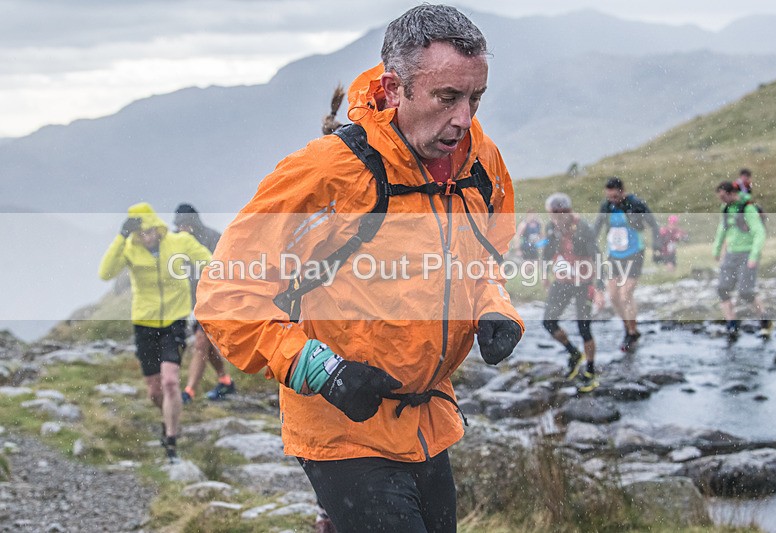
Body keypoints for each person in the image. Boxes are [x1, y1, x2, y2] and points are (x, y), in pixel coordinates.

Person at [196, 5, 523, 532]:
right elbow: (226, 294)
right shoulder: (328, 174)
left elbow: (486, 252)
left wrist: (493, 307)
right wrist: (320, 371)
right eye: (447, 98)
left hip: (428, 419)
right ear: (394, 90)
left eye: (475, 98)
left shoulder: (479, 161)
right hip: (342, 430)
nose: (464, 119)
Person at [99, 203, 212, 462]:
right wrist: (121, 237)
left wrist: (210, 289)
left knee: (171, 382)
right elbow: (105, 273)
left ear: (158, 227)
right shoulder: (129, 249)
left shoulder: (179, 241)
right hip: (145, 324)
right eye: (141, 233)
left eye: (150, 231)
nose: (147, 237)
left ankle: (171, 441)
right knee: (155, 390)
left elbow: (209, 261)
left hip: (174, 321)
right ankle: (167, 417)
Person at [173, 204, 236, 403]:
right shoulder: (175, 242)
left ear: (194, 222)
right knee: (206, 347)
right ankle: (225, 381)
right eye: (179, 224)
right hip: (193, 304)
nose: (182, 228)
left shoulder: (212, 238)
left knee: (201, 343)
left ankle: (188, 392)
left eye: (185, 224)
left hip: (214, 301)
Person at [540, 193, 603, 393]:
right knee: (548, 322)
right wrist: (544, 274)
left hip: (583, 283)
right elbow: (547, 251)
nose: (556, 218)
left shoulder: (583, 228)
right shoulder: (551, 227)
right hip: (563, 281)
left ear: (568, 211)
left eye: (560, 214)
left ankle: (591, 370)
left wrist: (599, 289)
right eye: (553, 214)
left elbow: (597, 256)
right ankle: (574, 354)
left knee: (584, 328)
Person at [593, 177, 659, 352]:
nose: (612, 200)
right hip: (614, 254)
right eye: (609, 196)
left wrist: (658, 245)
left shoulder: (635, 204)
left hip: (634, 253)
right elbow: (597, 227)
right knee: (613, 296)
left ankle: (632, 331)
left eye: (615, 196)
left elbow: (652, 223)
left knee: (625, 294)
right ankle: (628, 328)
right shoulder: (606, 206)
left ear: (622, 191)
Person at [713, 181, 771, 342]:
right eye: (720, 197)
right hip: (731, 254)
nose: (722, 200)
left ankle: (765, 320)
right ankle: (731, 324)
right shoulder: (725, 209)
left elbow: (759, 233)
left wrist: (754, 256)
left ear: (732, 193)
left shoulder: (748, 208)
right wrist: (717, 249)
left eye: (724, 196)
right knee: (722, 289)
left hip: (748, 253)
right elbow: (722, 228)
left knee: (746, 292)